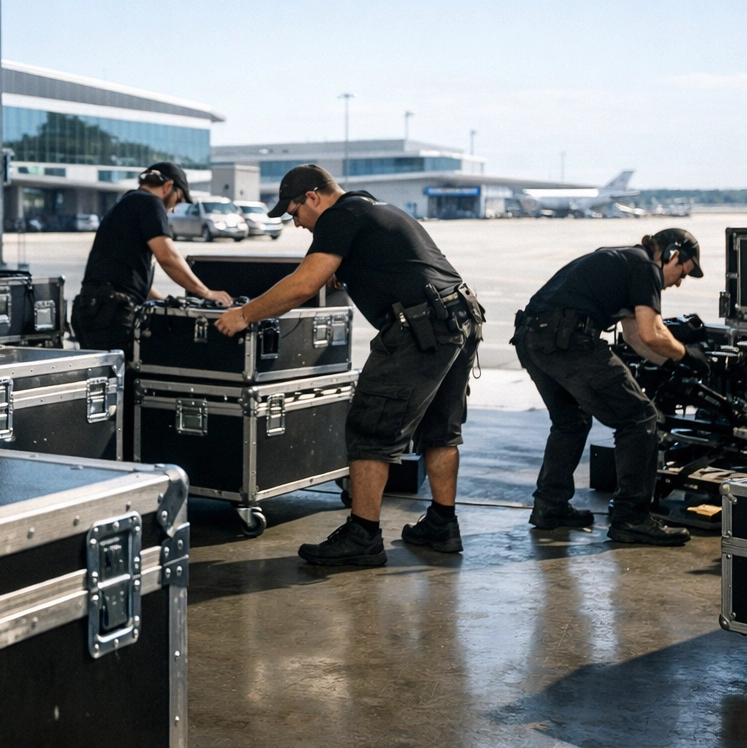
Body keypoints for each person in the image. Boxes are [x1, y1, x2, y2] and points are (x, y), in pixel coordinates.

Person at [217, 165, 483, 566]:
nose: (298, 225)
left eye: (294, 214)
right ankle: (442, 524)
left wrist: (244, 315)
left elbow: (305, 283)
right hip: (459, 316)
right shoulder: (368, 207)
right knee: (439, 429)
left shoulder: (339, 216)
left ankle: (363, 535)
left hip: (422, 328)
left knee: (369, 427)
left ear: (312, 197)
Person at [512, 228, 708, 546]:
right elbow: (651, 333)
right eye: (682, 273)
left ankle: (550, 506)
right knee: (640, 417)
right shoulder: (646, 266)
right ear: (672, 254)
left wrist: (672, 365)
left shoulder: (624, 261)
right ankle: (632, 519)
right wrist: (688, 355)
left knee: (571, 421)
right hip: (569, 341)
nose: (678, 282)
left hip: (533, 339)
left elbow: (634, 336)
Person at [71, 161, 232, 456]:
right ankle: (120, 465)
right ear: (169, 187)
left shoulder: (127, 204)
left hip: (95, 308)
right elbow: (168, 256)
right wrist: (206, 293)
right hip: (111, 313)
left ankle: (108, 460)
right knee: (125, 394)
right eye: (178, 201)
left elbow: (129, 277)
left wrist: (160, 301)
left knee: (108, 392)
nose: (173, 209)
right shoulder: (150, 203)